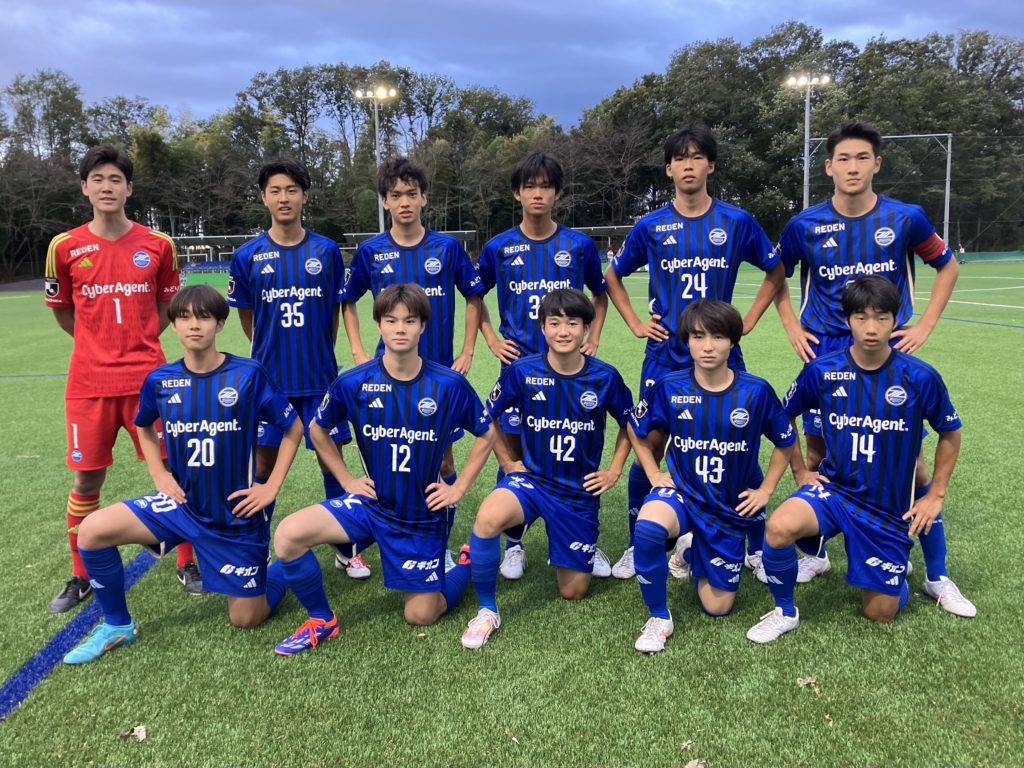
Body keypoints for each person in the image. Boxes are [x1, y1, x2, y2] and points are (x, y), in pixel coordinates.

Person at [772, 122, 974, 617]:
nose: (853, 167)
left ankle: (936, 575)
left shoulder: (904, 217)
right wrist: (792, 326)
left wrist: (925, 323)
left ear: (877, 164)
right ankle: (816, 554)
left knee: (912, 464)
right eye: (843, 158)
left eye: (862, 158)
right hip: (826, 350)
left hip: (886, 347)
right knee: (819, 455)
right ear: (828, 166)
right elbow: (776, 275)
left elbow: (947, 265)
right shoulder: (804, 224)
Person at [63, 285, 303, 664]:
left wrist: (270, 486)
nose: (194, 325)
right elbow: (143, 425)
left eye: (204, 317)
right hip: (181, 506)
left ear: (219, 324)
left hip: (233, 518)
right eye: (185, 317)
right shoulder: (160, 380)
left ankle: (277, 570)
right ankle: (117, 624)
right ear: (172, 325)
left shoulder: (248, 374)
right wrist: (159, 474)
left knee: (247, 619)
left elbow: (293, 427)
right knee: (92, 531)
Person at [603, 125, 785, 580]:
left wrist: (748, 320)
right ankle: (640, 542)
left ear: (711, 165)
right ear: (668, 169)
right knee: (650, 443)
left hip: (721, 355)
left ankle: (754, 546)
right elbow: (612, 275)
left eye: (697, 156)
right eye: (680, 158)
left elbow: (776, 268)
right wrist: (636, 324)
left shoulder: (736, 222)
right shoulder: (650, 226)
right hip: (665, 355)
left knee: (738, 446)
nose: (688, 165)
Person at [272, 284, 495, 655]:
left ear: (423, 325)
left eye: (410, 320)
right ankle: (321, 619)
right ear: (378, 324)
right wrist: (346, 480)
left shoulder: (448, 384)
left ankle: (466, 566)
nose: (400, 329)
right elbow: (317, 430)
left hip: (419, 516)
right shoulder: (354, 383)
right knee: (288, 535)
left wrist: (458, 489)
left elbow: (487, 433)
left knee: (421, 615)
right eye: (391, 320)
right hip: (370, 505)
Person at [748, 276, 963, 643]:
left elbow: (950, 433)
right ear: (848, 320)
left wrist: (936, 494)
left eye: (881, 317)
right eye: (861, 317)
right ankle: (784, 611)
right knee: (779, 527)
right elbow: (784, 417)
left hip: (886, 509)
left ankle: (896, 576)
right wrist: (800, 471)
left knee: (880, 614)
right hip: (835, 493)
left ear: (895, 321)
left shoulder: (919, 377)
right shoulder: (822, 370)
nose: (871, 328)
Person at [43, 144, 201, 611]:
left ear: (129, 188)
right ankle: (81, 573)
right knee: (86, 480)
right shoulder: (64, 247)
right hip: (89, 384)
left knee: (174, 470)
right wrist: (98, 344)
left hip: (149, 381)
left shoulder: (158, 245)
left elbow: (166, 308)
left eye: (116, 179)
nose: (107, 187)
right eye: (98, 179)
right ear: (84, 188)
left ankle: (188, 561)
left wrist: (137, 342)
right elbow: (64, 312)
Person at [461, 289, 633, 650]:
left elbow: (630, 425)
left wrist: (614, 471)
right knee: (487, 518)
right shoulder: (522, 371)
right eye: (554, 323)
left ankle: (583, 547)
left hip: (576, 493)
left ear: (586, 329)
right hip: (533, 483)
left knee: (573, 591)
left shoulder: (605, 377)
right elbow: (486, 417)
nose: (563, 331)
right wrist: (507, 463)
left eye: (573, 323)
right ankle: (487, 609)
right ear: (543, 328)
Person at [341, 157, 485, 572]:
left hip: (438, 377)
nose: (404, 202)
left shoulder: (447, 248)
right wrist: (358, 353)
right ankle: (389, 534)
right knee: (387, 460)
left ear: (424, 198)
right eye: (395, 195)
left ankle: (439, 541)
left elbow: (474, 296)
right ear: (385, 202)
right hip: (388, 376)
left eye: (411, 194)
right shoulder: (371, 251)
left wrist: (468, 351)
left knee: (443, 462)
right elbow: (347, 301)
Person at [627, 300, 795, 653]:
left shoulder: (755, 391)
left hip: (726, 507)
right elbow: (635, 427)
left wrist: (766, 489)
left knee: (717, 607)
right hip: (683, 495)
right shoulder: (669, 387)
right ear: (687, 341)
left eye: (718, 337)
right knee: (648, 526)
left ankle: (689, 552)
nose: (707, 346)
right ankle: (658, 617)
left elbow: (786, 440)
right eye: (698, 336)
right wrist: (654, 472)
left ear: (732, 342)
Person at [476, 151, 611, 580]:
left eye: (546, 186)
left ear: (556, 193)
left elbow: (601, 294)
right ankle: (514, 545)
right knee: (514, 455)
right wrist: (492, 339)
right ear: (517, 193)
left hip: (572, 372)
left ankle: (580, 539)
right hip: (519, 370)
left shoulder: (578, 245)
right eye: (530, 186)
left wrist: (593, 337)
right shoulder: (498, 247)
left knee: (576, 450)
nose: (538, 193)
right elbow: (475, 295)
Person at [227, 159, 363, 576]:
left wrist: (319, 352)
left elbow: (334, 313)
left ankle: (345, 547)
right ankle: (257, 548)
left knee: (332, 464)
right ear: (264, 197)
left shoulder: (326, 251)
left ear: (304, 196)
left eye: (291, 190)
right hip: (271, 385)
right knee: (263, 468)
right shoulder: (247, 255)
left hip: (320, 380)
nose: (283, 198)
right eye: (275, 190)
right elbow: (248, 319)